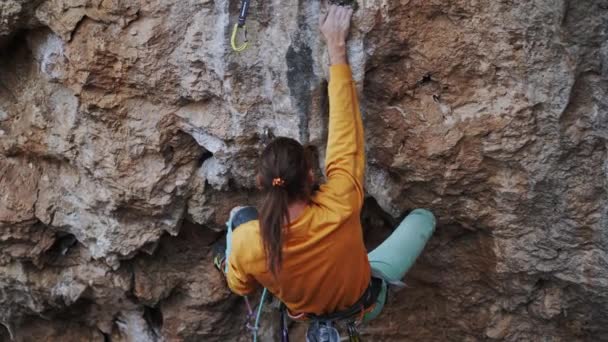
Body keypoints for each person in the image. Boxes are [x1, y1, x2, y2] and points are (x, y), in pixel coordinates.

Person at [214, 4, 436, 340]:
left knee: (239, 217)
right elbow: (346, 133)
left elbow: (239, 285)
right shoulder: (340, 202)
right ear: (311, 177)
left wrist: (235, 247)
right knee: (422, 219)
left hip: (304, 308)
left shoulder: (250, 242)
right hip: (364, 302)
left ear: (261, 183)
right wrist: (336, 48)